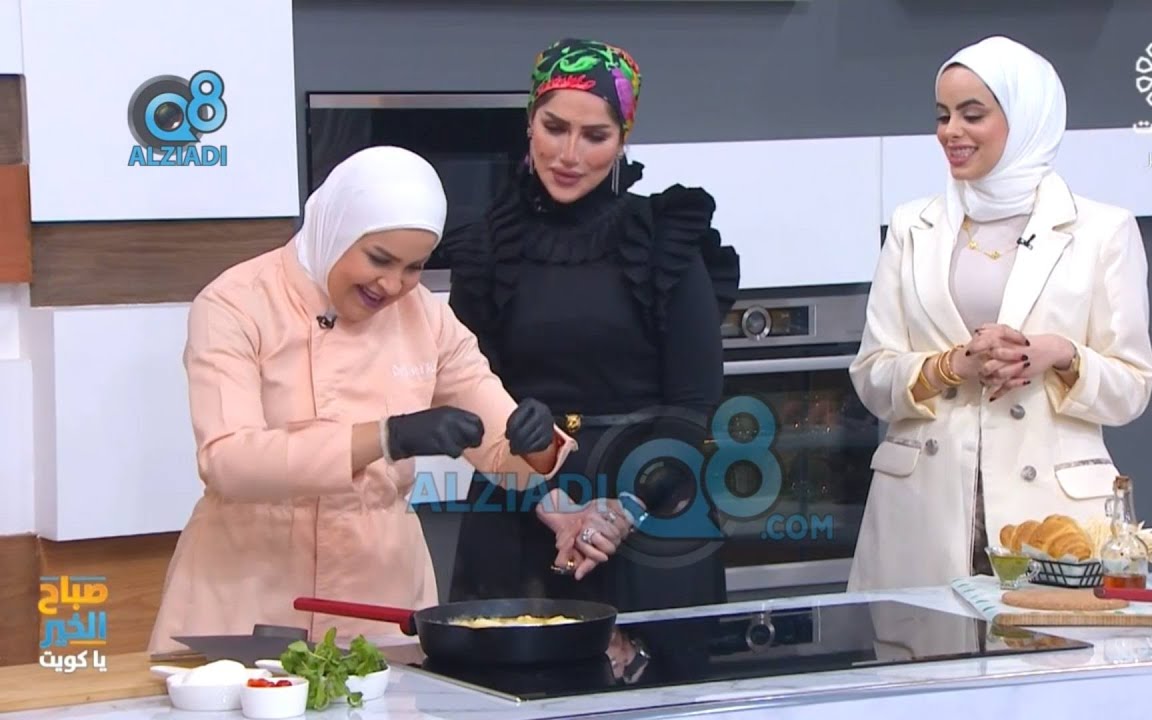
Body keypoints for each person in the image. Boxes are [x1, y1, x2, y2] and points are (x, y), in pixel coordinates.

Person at [148, 146, 582, 655]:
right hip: (247, 592)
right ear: (336, 228)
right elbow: (229, 462)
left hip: (379, 595)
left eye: (414, 267)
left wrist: (535, 441)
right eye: (379, 258)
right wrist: (386, 437)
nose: (393, 285)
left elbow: (504, 458)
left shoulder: (427, 318)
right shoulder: (236, 303)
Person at [440, 37, 741, 613]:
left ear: (623, 139)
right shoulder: (485, 247)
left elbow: (694, 403)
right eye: (555, 128)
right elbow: (469, 390)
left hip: (656, 505)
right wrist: (549, 501)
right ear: (530, 123)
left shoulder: (665, 238)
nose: (569, 154)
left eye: (595, 136)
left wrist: (622, 511)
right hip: (520, 507)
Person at [847, 36, 1152, 592]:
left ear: (1026, 117)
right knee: (920, 647)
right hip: (923, 513)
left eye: (972, 115)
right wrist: (952, 365)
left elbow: (1131, 387)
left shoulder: (1103, 231)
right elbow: (871, 376)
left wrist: (1059, 355)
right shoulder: (911, 226)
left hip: (1054, 517)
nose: (950, 132)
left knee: (1046, 648)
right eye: (942, 116)